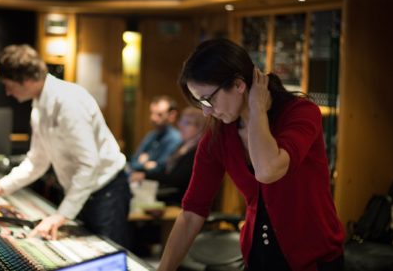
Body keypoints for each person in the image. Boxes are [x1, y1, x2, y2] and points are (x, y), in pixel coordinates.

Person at [158, 38, 345, 271]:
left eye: (208, 99)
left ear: (238, 85)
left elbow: (268, 170)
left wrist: (257, 110)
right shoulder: (219, 135)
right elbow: (192, 212)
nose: (206, 111)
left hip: (314, 258)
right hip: (257, 256)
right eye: (200, 102)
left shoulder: (300, 113)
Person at [0, 44, 131, 246]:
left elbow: (88, 164)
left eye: (8, 84)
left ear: (27, 80)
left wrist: (61, 214)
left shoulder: (69, 102)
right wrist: (0, 187)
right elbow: (37, 161)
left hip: (106, 192)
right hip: (83, 191)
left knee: (108, 258)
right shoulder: (38, 106)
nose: (8, 92)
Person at [130, 107, 206, 205]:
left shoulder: (199, 150)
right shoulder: (182, 145)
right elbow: (166, 171)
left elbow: (177, 179)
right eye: (181, 122)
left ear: (200, 127)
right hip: (170, 195)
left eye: (187, 123)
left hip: (184, 202)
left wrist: (146, 175)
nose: (181, 126)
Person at [128, 95, 182, 176]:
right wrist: (147, 165)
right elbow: (133, 161)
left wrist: (144, 161)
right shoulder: (151, 135)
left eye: (159, 114)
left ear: (172, 115)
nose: (153, 118)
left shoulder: (175, 138)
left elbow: (161, 168)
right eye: (152, 113)